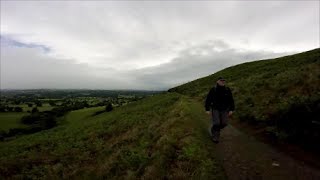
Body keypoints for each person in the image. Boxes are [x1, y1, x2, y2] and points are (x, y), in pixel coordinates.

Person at [205, 77, 235, 143]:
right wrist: (207, 109)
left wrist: (231, 109)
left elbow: (231, 100)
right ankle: (215, 137)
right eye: (221, 80)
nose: (223, 82)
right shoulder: (213, 89)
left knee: (224, 123)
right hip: (215, 109)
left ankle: (214, 129)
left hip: (225, 109)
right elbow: (208, 100)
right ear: (217, 81)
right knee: (216, 123)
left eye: (224, 80)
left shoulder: (227, 89)